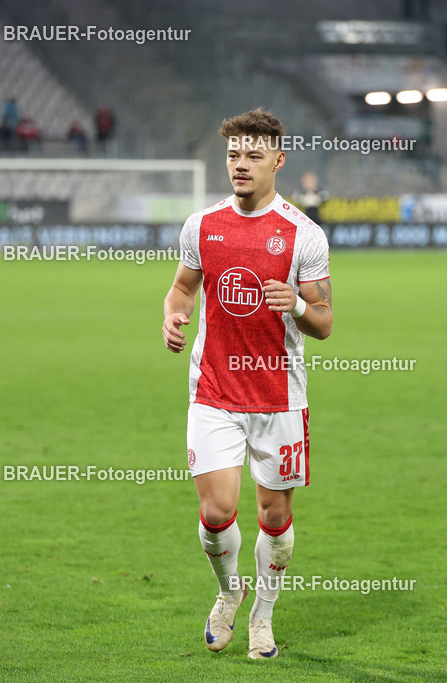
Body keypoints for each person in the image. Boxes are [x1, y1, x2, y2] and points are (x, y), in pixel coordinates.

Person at [161, 108, 332, 660]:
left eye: (253, 155)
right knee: (215, 514)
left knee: (275, 517)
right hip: (214, 391)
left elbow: (325, 322)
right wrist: (173, 314)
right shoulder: (202, 226)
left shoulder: (303, 234)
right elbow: (183, 288)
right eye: (234, 154)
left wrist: (300, 304)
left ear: (277, 161)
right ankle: (230, 591)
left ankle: (264, 613)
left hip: (279, 397)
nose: (241, 164)